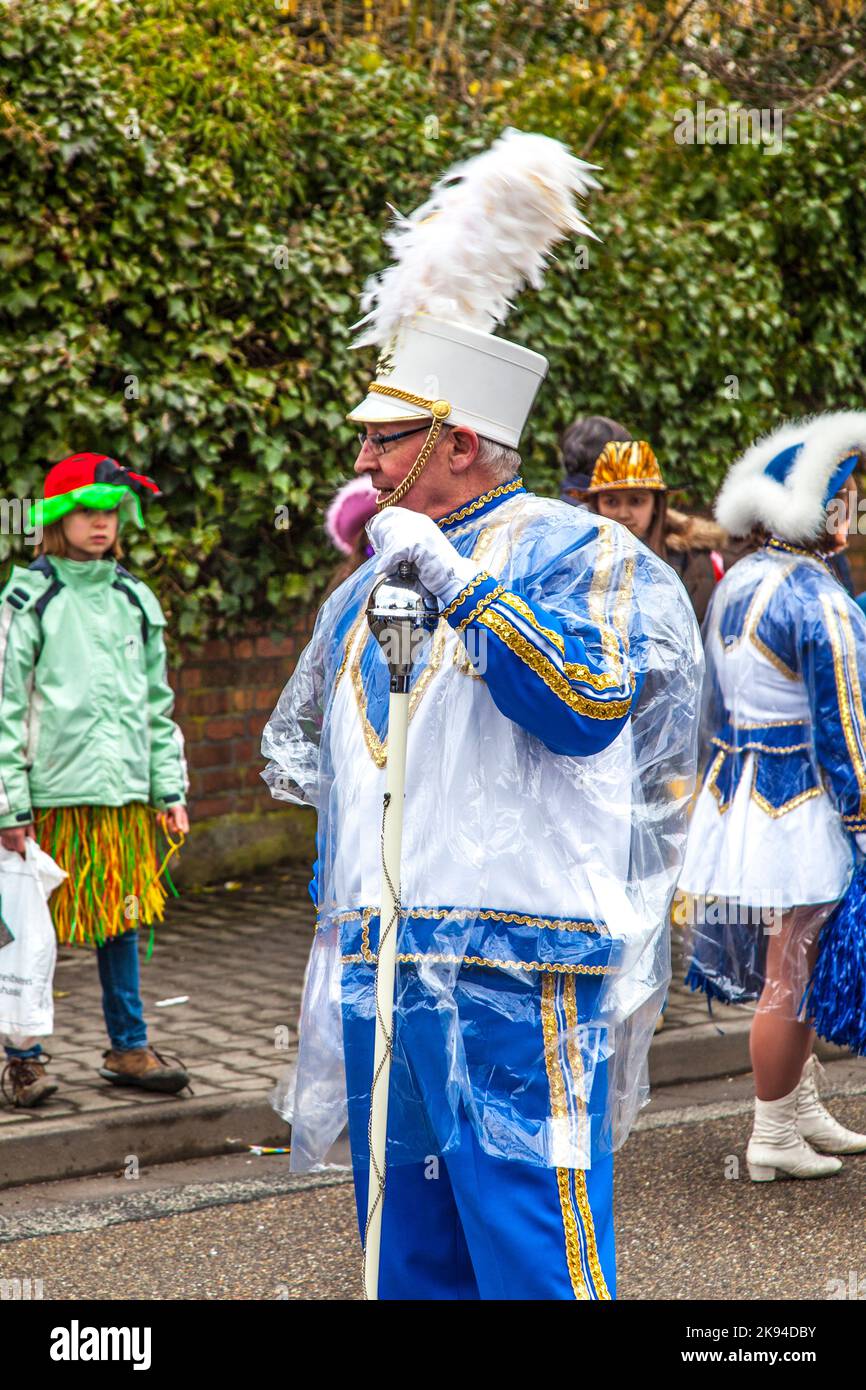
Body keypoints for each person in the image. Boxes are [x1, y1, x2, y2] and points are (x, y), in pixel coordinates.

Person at [262, 129, 701, 1299]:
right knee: (399, 1255)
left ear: (455, 442)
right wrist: (333, 930)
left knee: (529, 1249)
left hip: (520, 956)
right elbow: (345, 765)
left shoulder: (577, 547)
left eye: (381, 436)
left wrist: (457, 584)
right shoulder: (372, 573)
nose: (359, 455)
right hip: (383, 957)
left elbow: (586, 704)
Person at [678, 413, 866, 1180]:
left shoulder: (741, 581)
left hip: (740, 801)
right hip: (802, 807)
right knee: (791, 968)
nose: (855, 511)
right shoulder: (816, 599)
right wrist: (862, 815)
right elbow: (846, 729)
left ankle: (795, 1107)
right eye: (847, 496)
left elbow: (714, 711)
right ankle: (771, 1134)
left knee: (782, 963)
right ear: (815, 507)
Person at [0, 453, 191, 1105]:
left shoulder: (134, 598)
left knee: (123, 922)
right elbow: (4, 703)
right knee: (27, 931)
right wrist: (9, 806)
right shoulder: (29, 597)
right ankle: (22, 1058)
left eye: (110, 511)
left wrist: (170, 791)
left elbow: (157, 703)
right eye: (86, 510)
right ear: (57, 519)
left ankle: (128, 1047)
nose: (101, 523)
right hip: (47, 802)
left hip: (121, 803)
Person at [580, 439, 728, 625]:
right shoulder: (580, 554)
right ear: (596, 504)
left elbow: (697, 629)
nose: (623, 514)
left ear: (656, 505)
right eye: (611, 502)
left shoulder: (690, 557)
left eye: (636, 501)